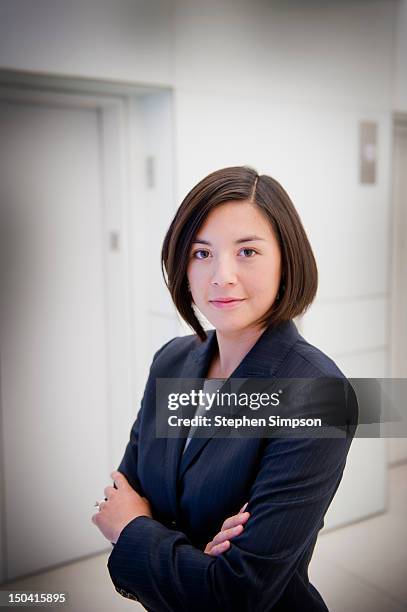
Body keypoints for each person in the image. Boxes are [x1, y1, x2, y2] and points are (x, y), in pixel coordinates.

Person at [91, 166, 358, 611]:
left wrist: (134, 530)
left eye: (247, 251)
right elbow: (124, 492)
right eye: (201, 253)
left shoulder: (319, 393)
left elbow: (238, 593)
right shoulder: (172, 359)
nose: (221, 275)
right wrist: (188, 553)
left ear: (286, 258)